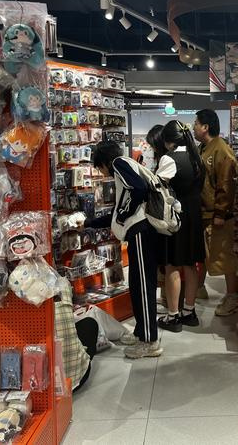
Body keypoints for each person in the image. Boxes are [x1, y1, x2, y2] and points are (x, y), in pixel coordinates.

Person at [88, 141, 162, 358]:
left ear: (104, 162)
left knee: (143, 286)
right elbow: (119, 208)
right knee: (137, 284)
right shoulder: (126, 165)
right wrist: (91, 223)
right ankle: (141, 332)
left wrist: (122, 215)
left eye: (99, 167)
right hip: (139, 232)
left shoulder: (118, 164)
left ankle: (149, 341)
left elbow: (139, 189)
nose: (101, 173)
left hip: (140, 231)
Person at [147, 121, 206, 332]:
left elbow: (157, 188)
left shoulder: (169, 159)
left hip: (175, 218)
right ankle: (189, 311)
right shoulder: (196, 157)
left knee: (172, 265)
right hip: (194, 216)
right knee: (190, 264)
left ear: (167, 140)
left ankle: (173, 316)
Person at [193, 109, 238, 316]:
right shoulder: (203, 148)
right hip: (205, 212)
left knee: (224, 257)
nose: (193, 127)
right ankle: (200, 288)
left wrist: (221, 212)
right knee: (207, 254)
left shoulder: (221, 150)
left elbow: (226, 183)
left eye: (196, 123)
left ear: (205, 127)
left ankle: (232, 297)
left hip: (218, 215)